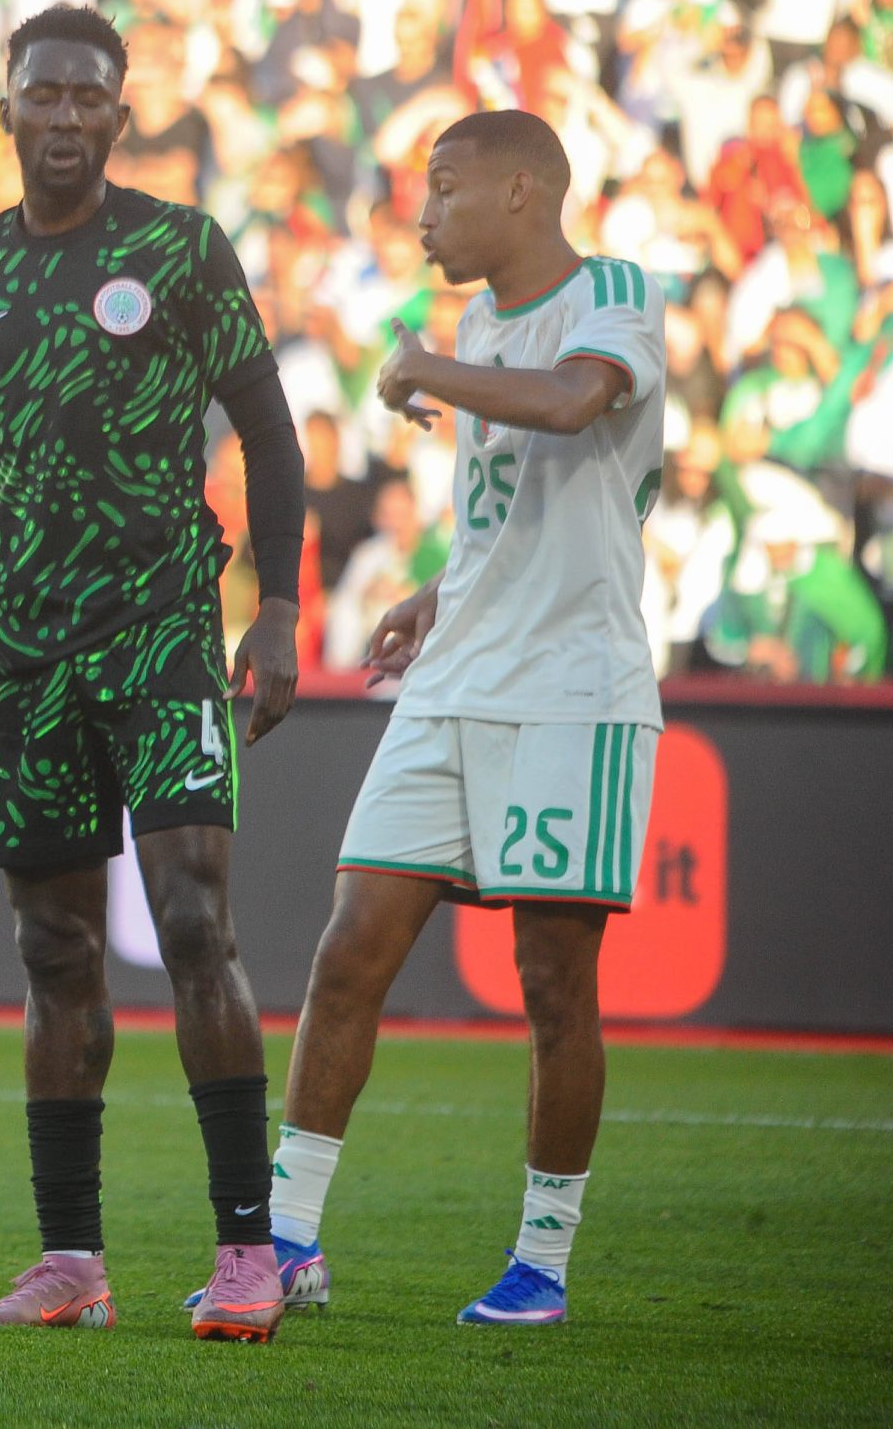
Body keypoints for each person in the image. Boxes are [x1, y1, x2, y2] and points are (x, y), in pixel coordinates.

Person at [0, 5, 309, 1344]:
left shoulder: (180, 249)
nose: (60, 115)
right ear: (6, 111)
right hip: (26, 655)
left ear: (119, 113)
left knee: (195, 923)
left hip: (162, 633)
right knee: (54, 950)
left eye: (84, 96)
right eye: (38, 93)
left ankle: (245, 1248)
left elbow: (272, 442)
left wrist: (273, 614)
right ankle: (69, 1259)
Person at [266, 109, 666, 1328]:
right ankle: (282, 1245)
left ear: (523, 190)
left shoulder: (614, 291)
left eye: (443, 188)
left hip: (571, 690)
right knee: (347, 953)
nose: (425, 212)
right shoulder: (484, 324)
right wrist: (436, 596)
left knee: (552, 982)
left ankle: (540, 1261)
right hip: (455, 680)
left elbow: (569, 405)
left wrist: (427, 366)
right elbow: (514, 509)